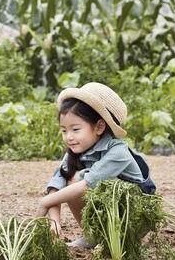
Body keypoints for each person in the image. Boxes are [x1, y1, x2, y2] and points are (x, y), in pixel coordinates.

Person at [37, 82, 156, 248]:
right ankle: (92, 235)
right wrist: (54, 222)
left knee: (78, 181)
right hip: (106, 212)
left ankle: (123, 239)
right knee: (70, 177)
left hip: (132, 216)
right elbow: (56, 184)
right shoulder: (75, 150)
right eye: (64, 130)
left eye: (75, 129)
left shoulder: (119, 151)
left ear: (99, 127)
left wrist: (45, 202)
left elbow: (86, 185)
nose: (68, 137)